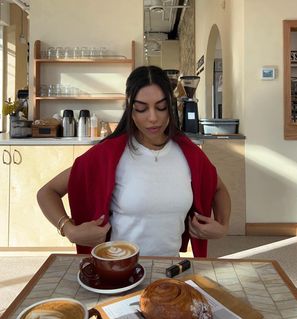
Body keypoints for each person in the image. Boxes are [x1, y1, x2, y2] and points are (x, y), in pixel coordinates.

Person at [37, 65, 231, 257]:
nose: (153, 118)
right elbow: (47, 192)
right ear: (130, 109)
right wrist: (69, 229)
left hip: (169, 269)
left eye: (161, 107)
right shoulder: (108, 155)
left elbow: (219, 189)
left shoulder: (189, 154)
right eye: (141, 109)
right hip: (118, 269)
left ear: (170, 106)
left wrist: (222, 226)